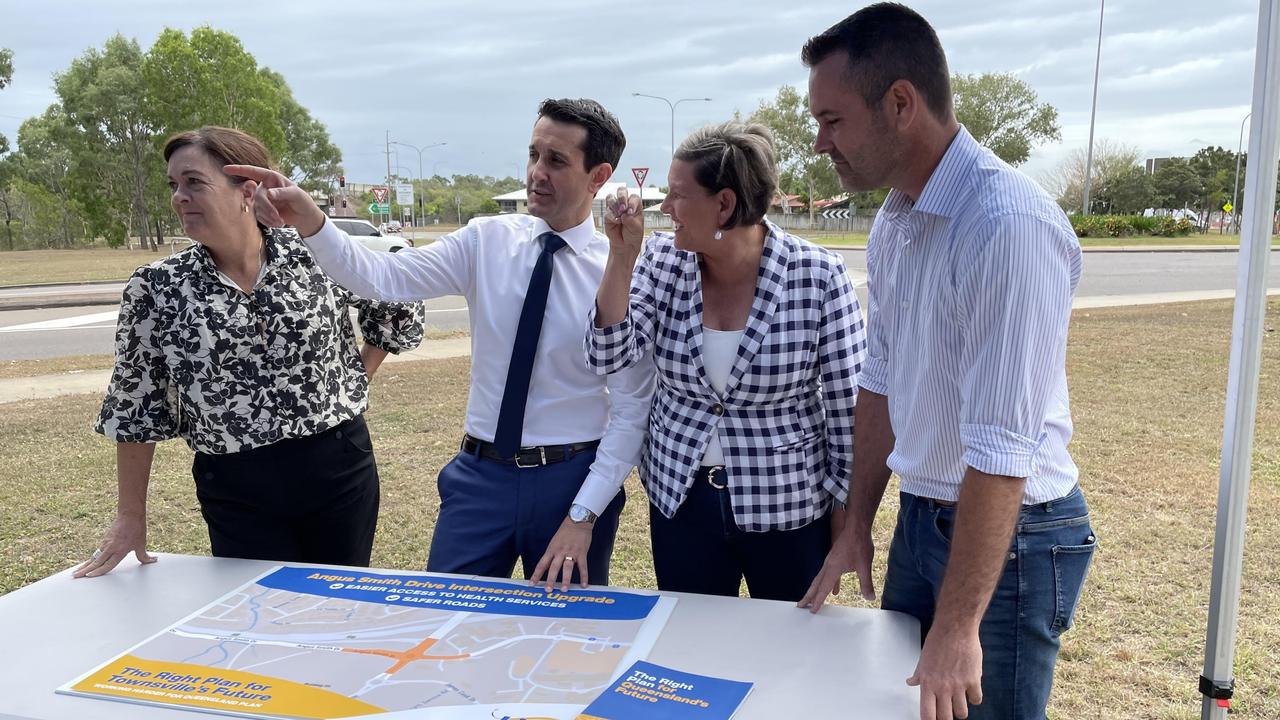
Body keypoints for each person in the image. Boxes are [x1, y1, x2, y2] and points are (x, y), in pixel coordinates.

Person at [798, 5, 1098, 720]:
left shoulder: (1006, 226)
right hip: (922, 517)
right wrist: (855, 528)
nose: (818, 142)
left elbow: (1001, 445)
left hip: (1015, 538)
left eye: (833, 120)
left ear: (900, 103)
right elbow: (880, 381)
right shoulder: (897, 218)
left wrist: (960, 626)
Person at [231, 99, 653, 591]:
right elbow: (381, 277)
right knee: (445, 622)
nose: (537, 172)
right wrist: (312, 219)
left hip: (571, 480)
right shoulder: (487, 240)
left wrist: (583, 516)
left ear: (598, 176)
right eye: (534, 154)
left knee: (565, 641)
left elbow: (630, 408)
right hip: (480, 479)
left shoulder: (622, 267)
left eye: (556, 161)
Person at [77, 126, 425, 578]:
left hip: (338, 469)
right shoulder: (156, 287)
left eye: (194, 182)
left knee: (340, 609)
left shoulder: (315, 253)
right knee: (260, 619)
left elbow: (398, 302)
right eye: (174, 186)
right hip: (236, 484)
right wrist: (130, 517)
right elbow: (134, 403)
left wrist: (355, 375)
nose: (179, 197)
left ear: (248, 191)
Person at [589, 122, 866, 602]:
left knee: (787, 652)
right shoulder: (660, 261)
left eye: (678, 196)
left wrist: (846, 521)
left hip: (787, 505)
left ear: (724, 204)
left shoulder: (818, 275)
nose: (665, 209)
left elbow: (848, 409)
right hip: (681, 500)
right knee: (692, 649)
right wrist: (621, 257)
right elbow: (609, 352)